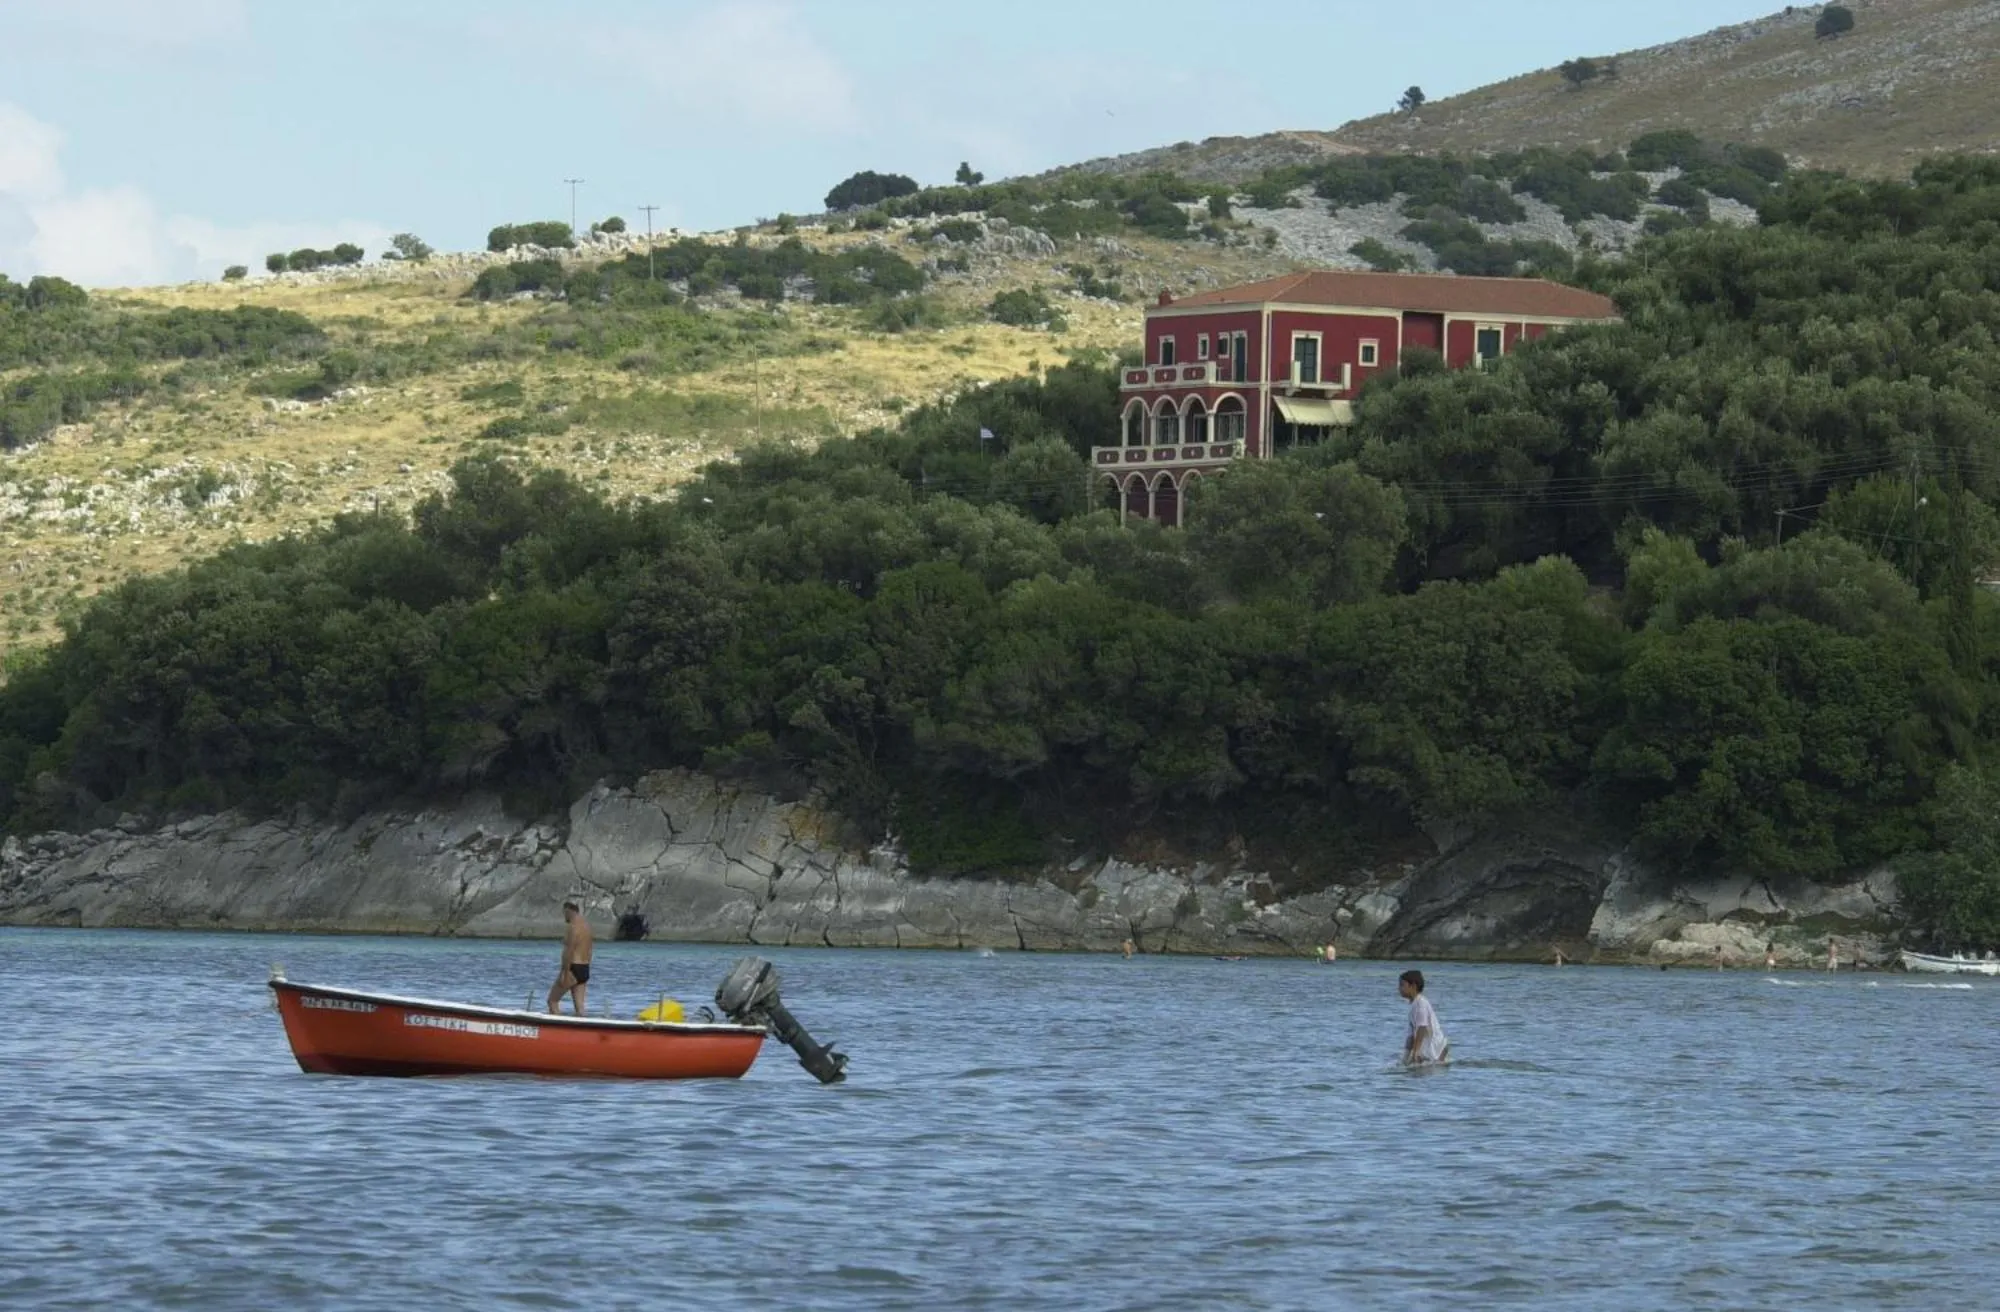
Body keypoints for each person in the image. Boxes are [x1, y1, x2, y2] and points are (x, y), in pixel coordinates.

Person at [548, 900, 593, 1015]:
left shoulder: (572, 927)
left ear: (569, 910)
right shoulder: (587, 927)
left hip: (573, 967)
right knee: (580, 1009)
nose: (564, 917)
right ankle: (581, 1031)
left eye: (564, 913)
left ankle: (557, 1030)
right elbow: (589, 950)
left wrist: (565, 972)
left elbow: (569, 951)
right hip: (584, 968)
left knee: (552, 1001)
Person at [1399, 970, 1449, 1066]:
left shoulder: (1420, 1003)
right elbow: (1411, 1036)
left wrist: (1415, 1052)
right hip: (1430, 1049)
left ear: (1413, 986)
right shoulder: (1414, 1005)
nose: (1399, 988)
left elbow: (1422, 1028)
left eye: (1402, 985)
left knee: (1424, 1074)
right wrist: (1404, 1057)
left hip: (1438, 1049)